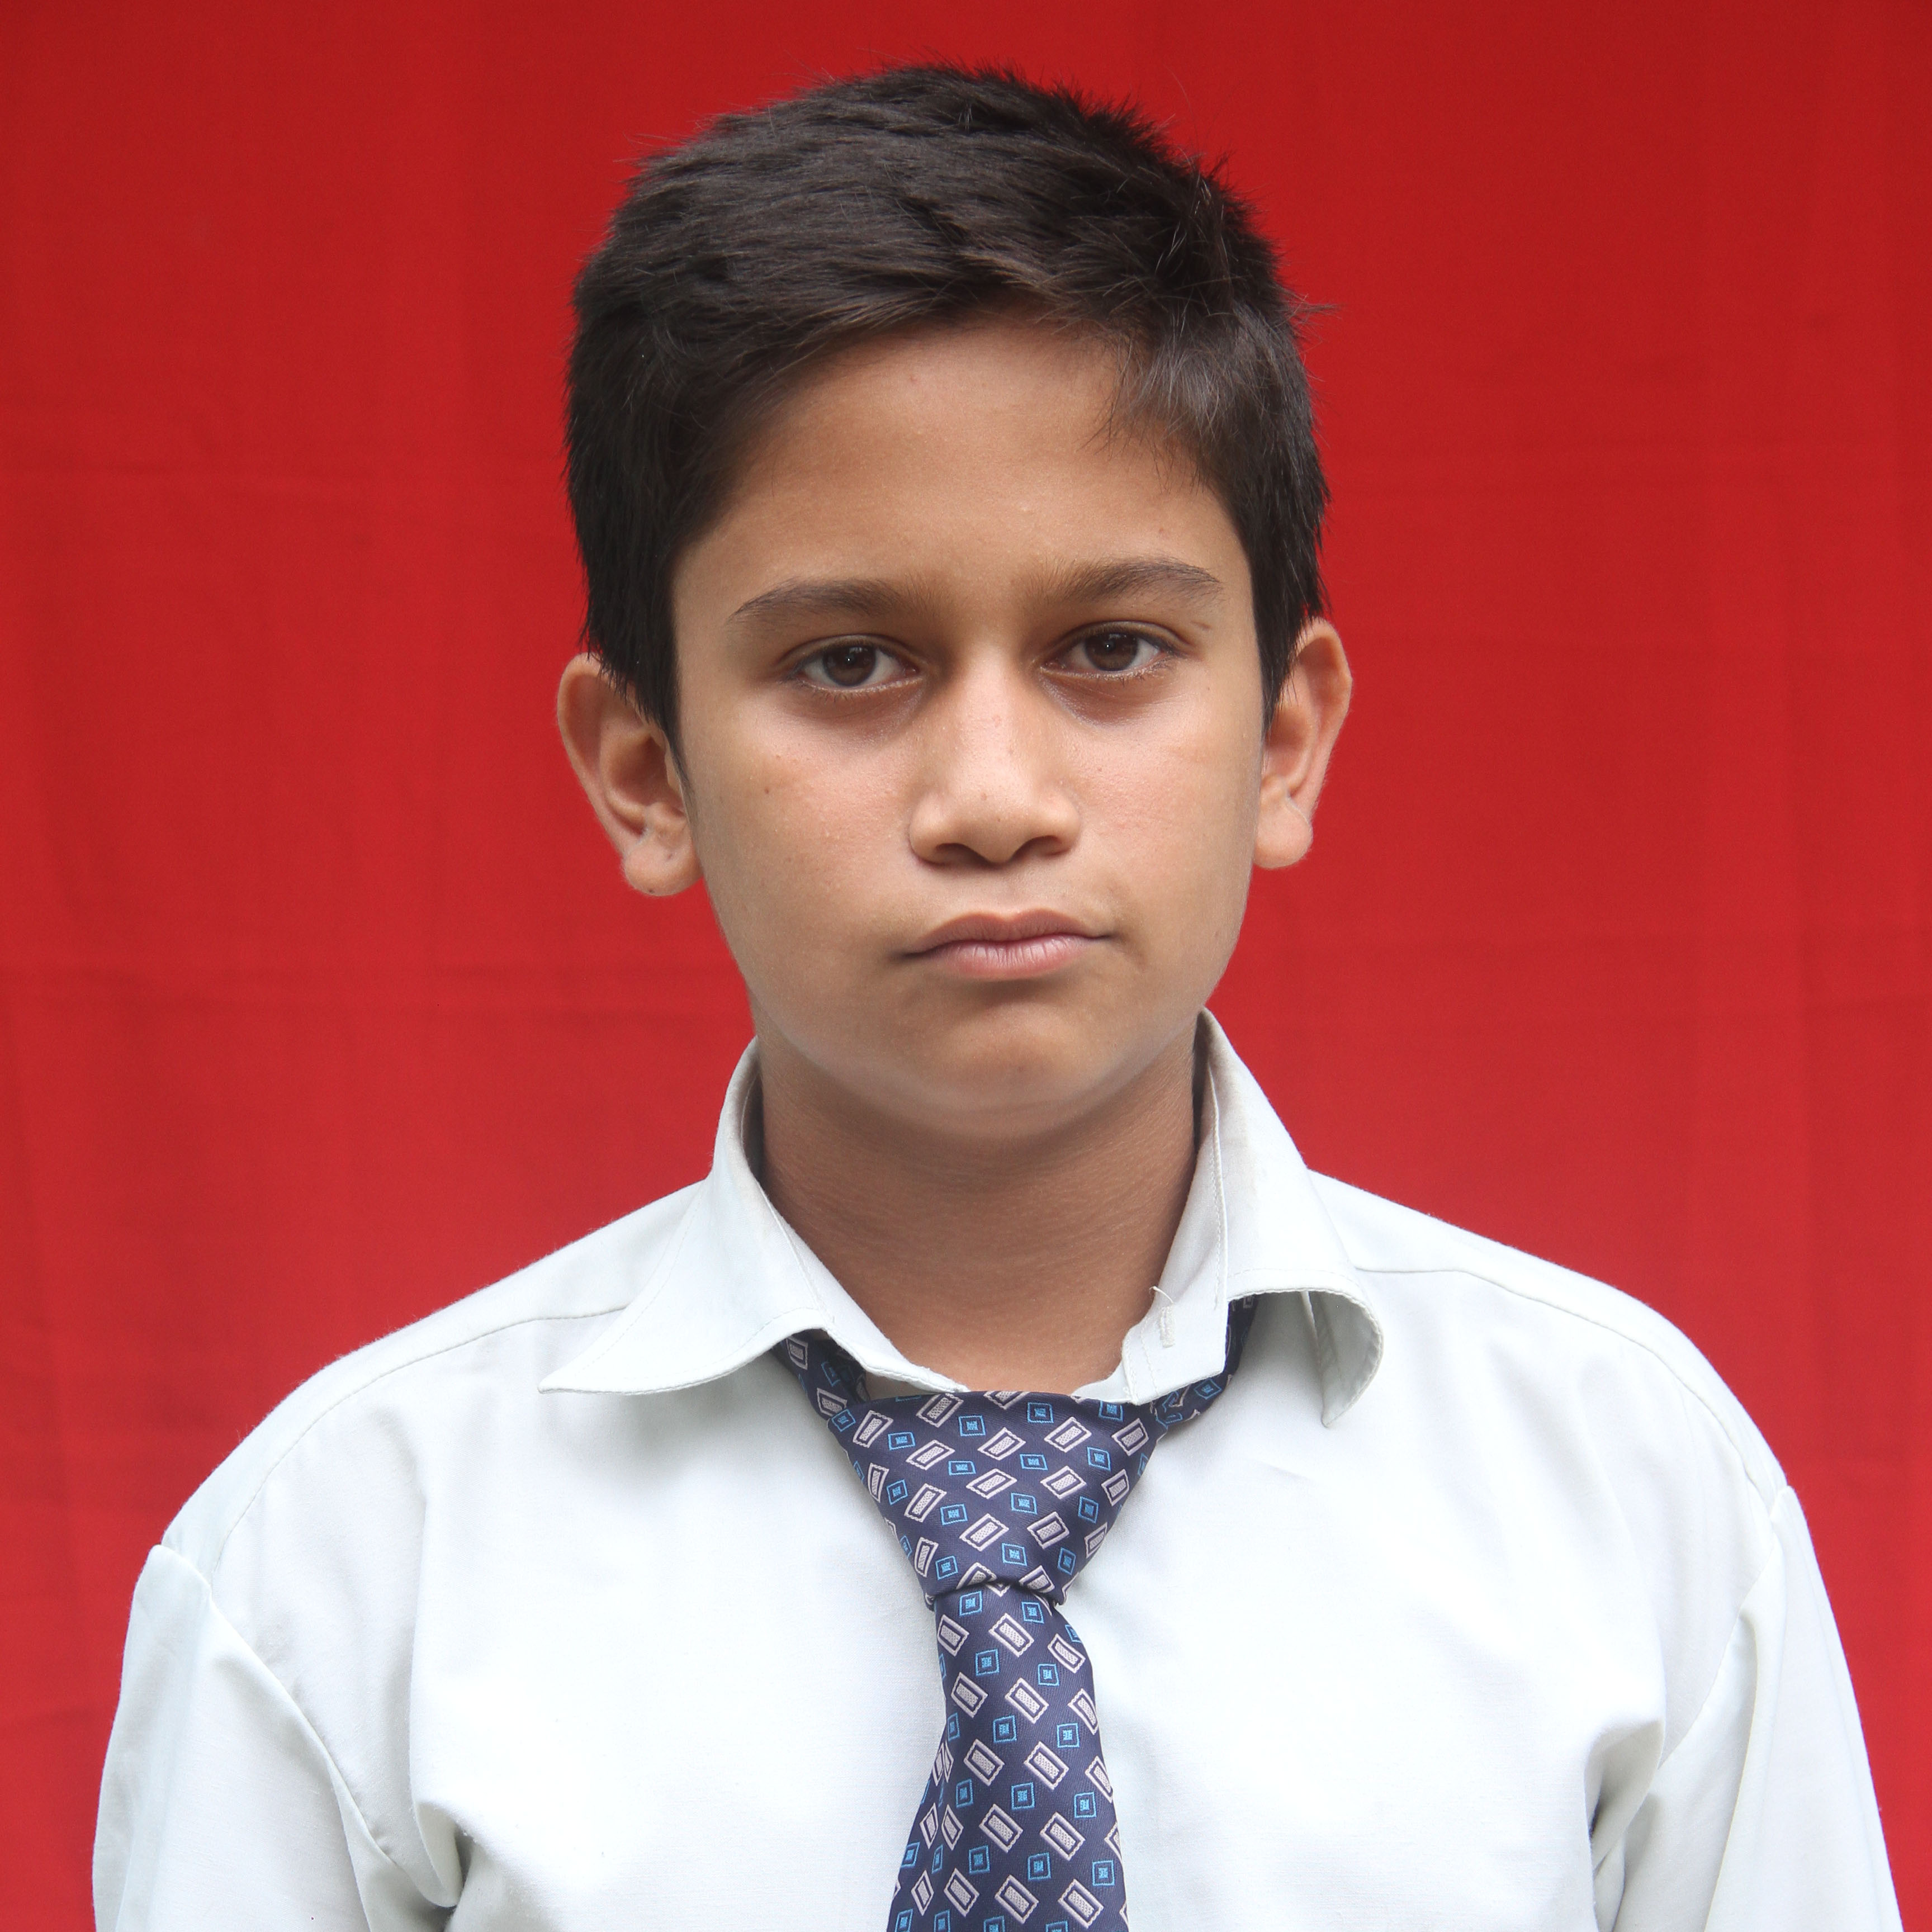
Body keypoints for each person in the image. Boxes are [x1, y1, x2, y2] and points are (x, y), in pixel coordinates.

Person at [93, 65, 1900, 1932]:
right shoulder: (341, 1570)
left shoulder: (1621, 1488)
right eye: (848, 662)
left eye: (1111, 649)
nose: (993, 798)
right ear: (646, 771)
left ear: (1284, 742)